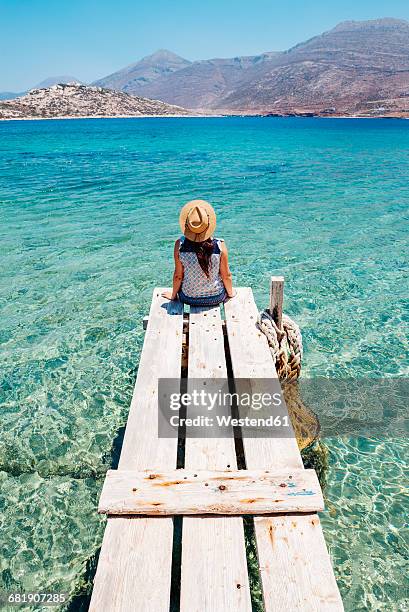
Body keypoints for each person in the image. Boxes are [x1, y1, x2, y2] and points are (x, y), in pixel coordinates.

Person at [161, 200, 236, 305]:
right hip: (216, 297)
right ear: (208, 224)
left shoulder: (180, 245)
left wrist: (173, 296)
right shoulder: (220, 245)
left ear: (187, 225)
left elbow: (178, 276)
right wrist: (231, 294)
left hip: (188, 297)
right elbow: (226, 276)